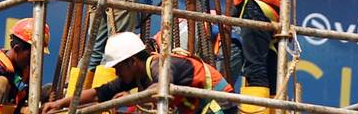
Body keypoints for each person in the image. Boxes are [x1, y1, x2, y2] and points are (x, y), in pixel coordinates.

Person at [42, 32, 236, 114]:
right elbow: (99, 93)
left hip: (220, 107)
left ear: (133, 62)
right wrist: (60, 103)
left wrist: (132, 98)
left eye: (118, 67)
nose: (117, 73)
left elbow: (160, 89)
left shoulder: (160, 65)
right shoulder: (136, 75)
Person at [0, 18, 50, 114]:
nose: (34, 62)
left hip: (11, 110)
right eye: (31, 56)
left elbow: (27, 97)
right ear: (17, 49)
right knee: (1, 82)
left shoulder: (25, 71)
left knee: (49, 89)